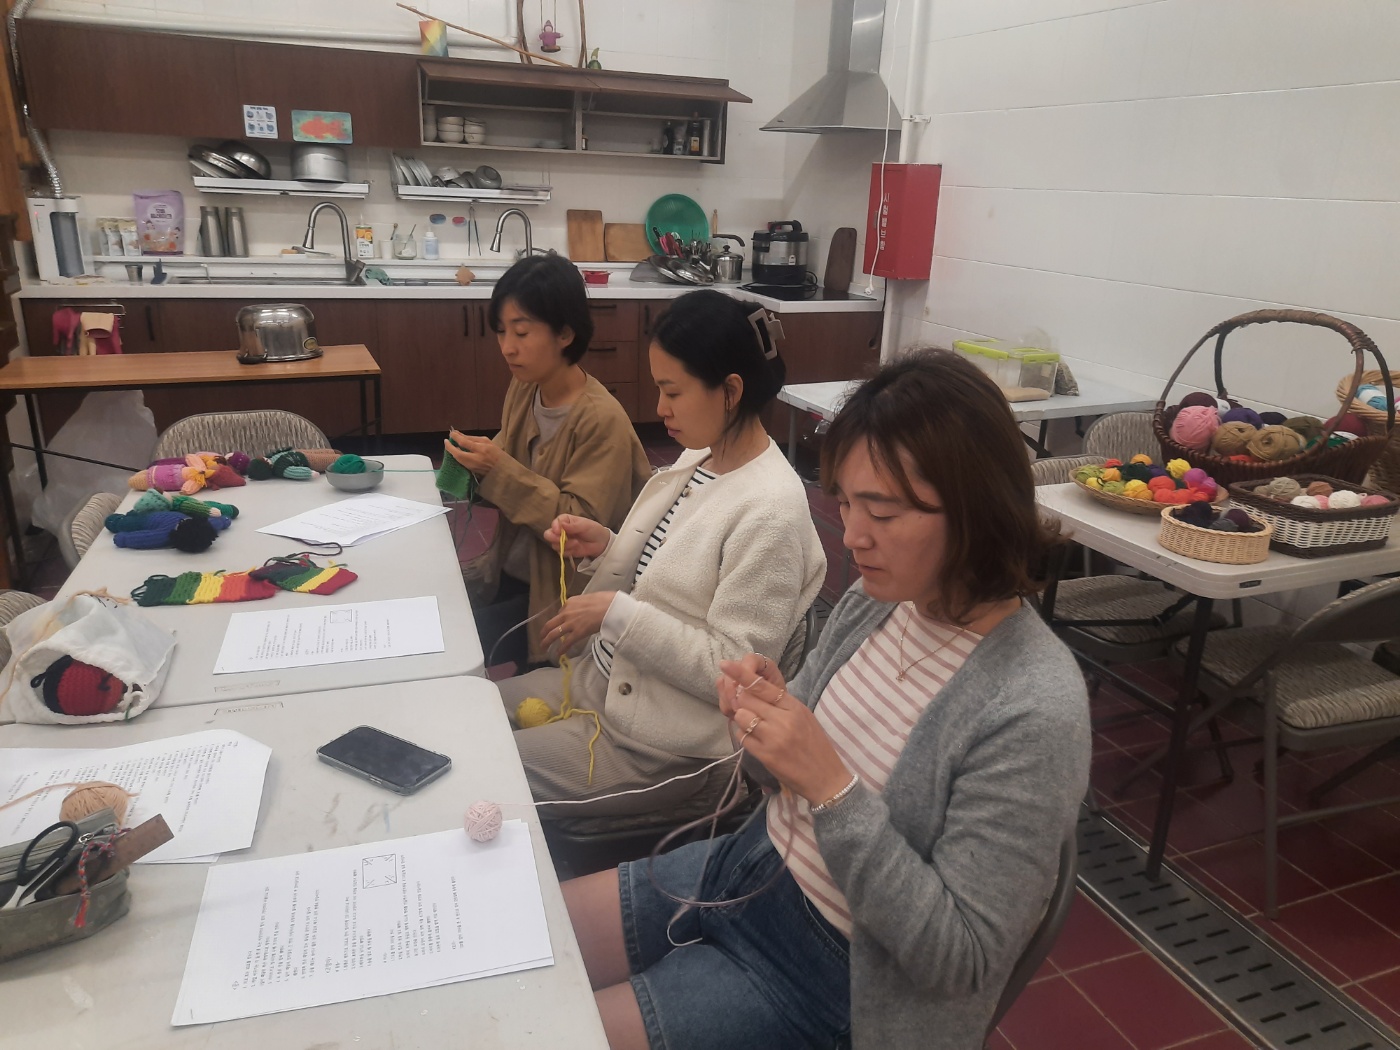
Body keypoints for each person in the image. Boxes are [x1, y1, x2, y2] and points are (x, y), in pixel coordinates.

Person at [560, 349, 1092, 1050]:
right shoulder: (882, 602)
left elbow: (959, 958)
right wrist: (765, 720)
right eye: (845, 502)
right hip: (750, 862)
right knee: (538, 928)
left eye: (884, 511)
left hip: (833, 972)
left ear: (978, 509)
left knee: (554, 1030)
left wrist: (831, 788)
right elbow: (772, 777)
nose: (853, 535)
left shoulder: (1032, 704)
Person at [497, 289, 826, 817]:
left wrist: (616, 614)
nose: (659, 408)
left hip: (659, 744)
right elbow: (675, 577)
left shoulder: (771, 510)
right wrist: (607, 544)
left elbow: (736, 671)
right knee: (470, 712)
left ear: (731, 390)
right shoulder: (701, 457)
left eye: (672, 391)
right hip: (603, 682)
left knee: (479, 769)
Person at [449, 254, 650, 669]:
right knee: (436, 610)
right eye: (501, 331)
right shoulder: (526, 387)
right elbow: (508, 457)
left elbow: (577, 528)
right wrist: (471, 466)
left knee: (450, 645)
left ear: (565, 333)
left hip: (562, 595)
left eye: (522, 332)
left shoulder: (601, 420)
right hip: (511, 568)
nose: (508, 347)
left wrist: (496, 469)